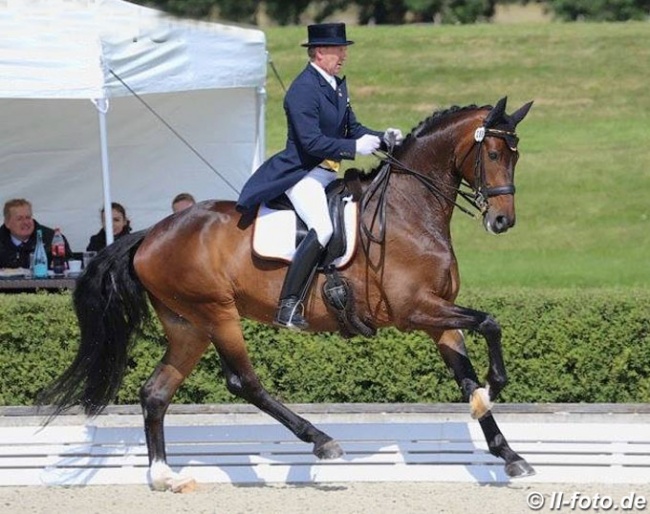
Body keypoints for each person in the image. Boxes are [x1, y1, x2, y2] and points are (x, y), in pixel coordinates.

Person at [236, 22, 404, 330]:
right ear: (318, 52)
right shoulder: (302, 90)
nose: (343, 56)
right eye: (338, 50)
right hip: (302, 174)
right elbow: (311, 142)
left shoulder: (336, 85)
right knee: (323, 228)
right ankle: (287, 305)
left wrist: (384, 138)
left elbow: (354, 128)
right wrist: (355, 146)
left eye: (344, 50)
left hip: (328, 174)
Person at [0, 198, 73, 269]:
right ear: (7, 223)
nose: (25, 222)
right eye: (19, 219)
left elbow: (69, 266)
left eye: (28, 217)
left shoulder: (52, 239)